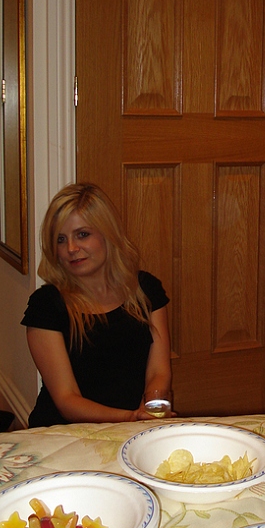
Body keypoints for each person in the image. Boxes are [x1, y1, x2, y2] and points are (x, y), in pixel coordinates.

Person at [22, 182, 174, 427]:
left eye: (82, 234)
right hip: (65, 430)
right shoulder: (46, 306)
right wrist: (130, 418)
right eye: (60, 239)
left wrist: (152, 412)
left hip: (134, 423)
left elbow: (159, 373)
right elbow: (67, 400)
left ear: (108, 234)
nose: (71, 248)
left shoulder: (146, 290)